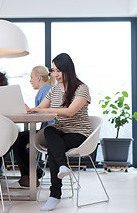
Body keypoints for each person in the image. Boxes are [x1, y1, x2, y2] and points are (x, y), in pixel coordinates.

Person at [29, 53, 92, 211]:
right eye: (53, 70)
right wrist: (31, 110)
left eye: (59, 71)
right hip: (61, 131)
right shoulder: (55, 89)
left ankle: (54, 196)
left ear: (68, 70)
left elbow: (70, 112)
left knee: (53, 147)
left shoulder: (81, 89)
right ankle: (63, 166)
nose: (55, 74)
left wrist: (44, 110)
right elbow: (42, 107)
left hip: (80, 134)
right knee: (50, 131)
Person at [10, 66, 55, 188]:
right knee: (19, 139)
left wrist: (31, 111)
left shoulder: (46, 88)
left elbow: (46, 111)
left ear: (39, 78)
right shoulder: (45, 89)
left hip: (49, 131)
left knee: (17, 139)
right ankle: (32, 174)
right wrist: (31, 111)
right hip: (46, 129)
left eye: (31, 77)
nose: (30, 80)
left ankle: (30, 175)